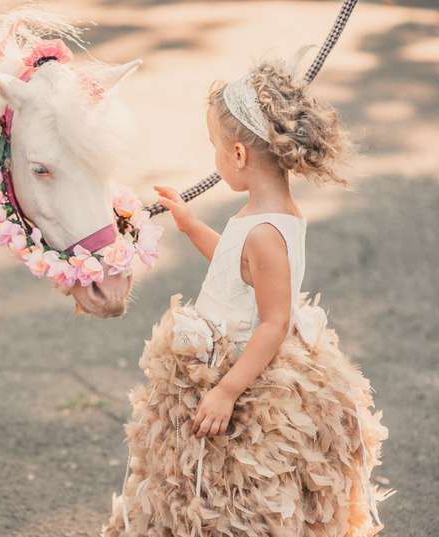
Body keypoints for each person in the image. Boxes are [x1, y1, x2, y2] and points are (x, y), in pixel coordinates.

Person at [102, 60, 390, 537]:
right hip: (229, 356)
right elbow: (236, 271)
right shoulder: (262, 217)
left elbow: (272, 322)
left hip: (237, 366)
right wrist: (192, 226)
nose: (213, 158)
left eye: (214, 147)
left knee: (229, 488)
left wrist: (226, 390)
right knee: (195, 487)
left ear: (237, 154)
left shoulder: (265, 233)